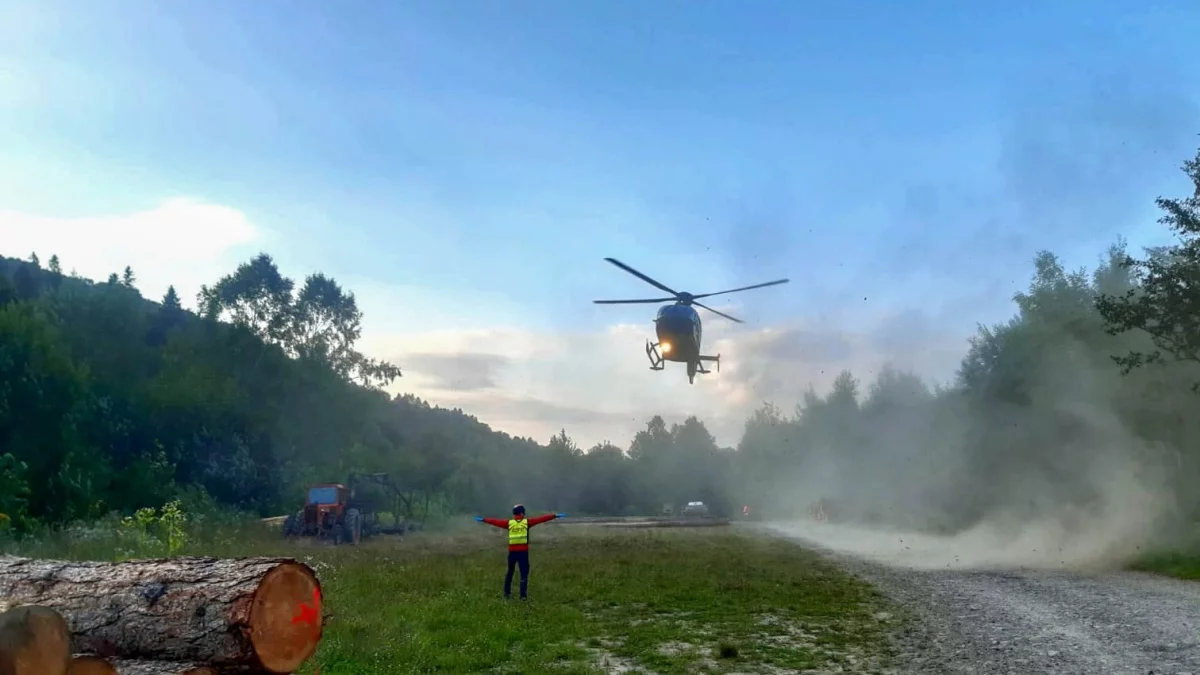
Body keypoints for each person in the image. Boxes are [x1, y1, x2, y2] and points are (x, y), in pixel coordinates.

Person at [474, 504, 566, 599]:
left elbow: (495, 522)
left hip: (512, 553)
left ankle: (507, 594)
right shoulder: (527, 522)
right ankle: (523, 596)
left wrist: (484, 519)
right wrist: (554, 516)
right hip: (523, 553)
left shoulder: (509, 523)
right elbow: (541, 519)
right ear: (522, 513)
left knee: (510, 572)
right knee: (524, 574)